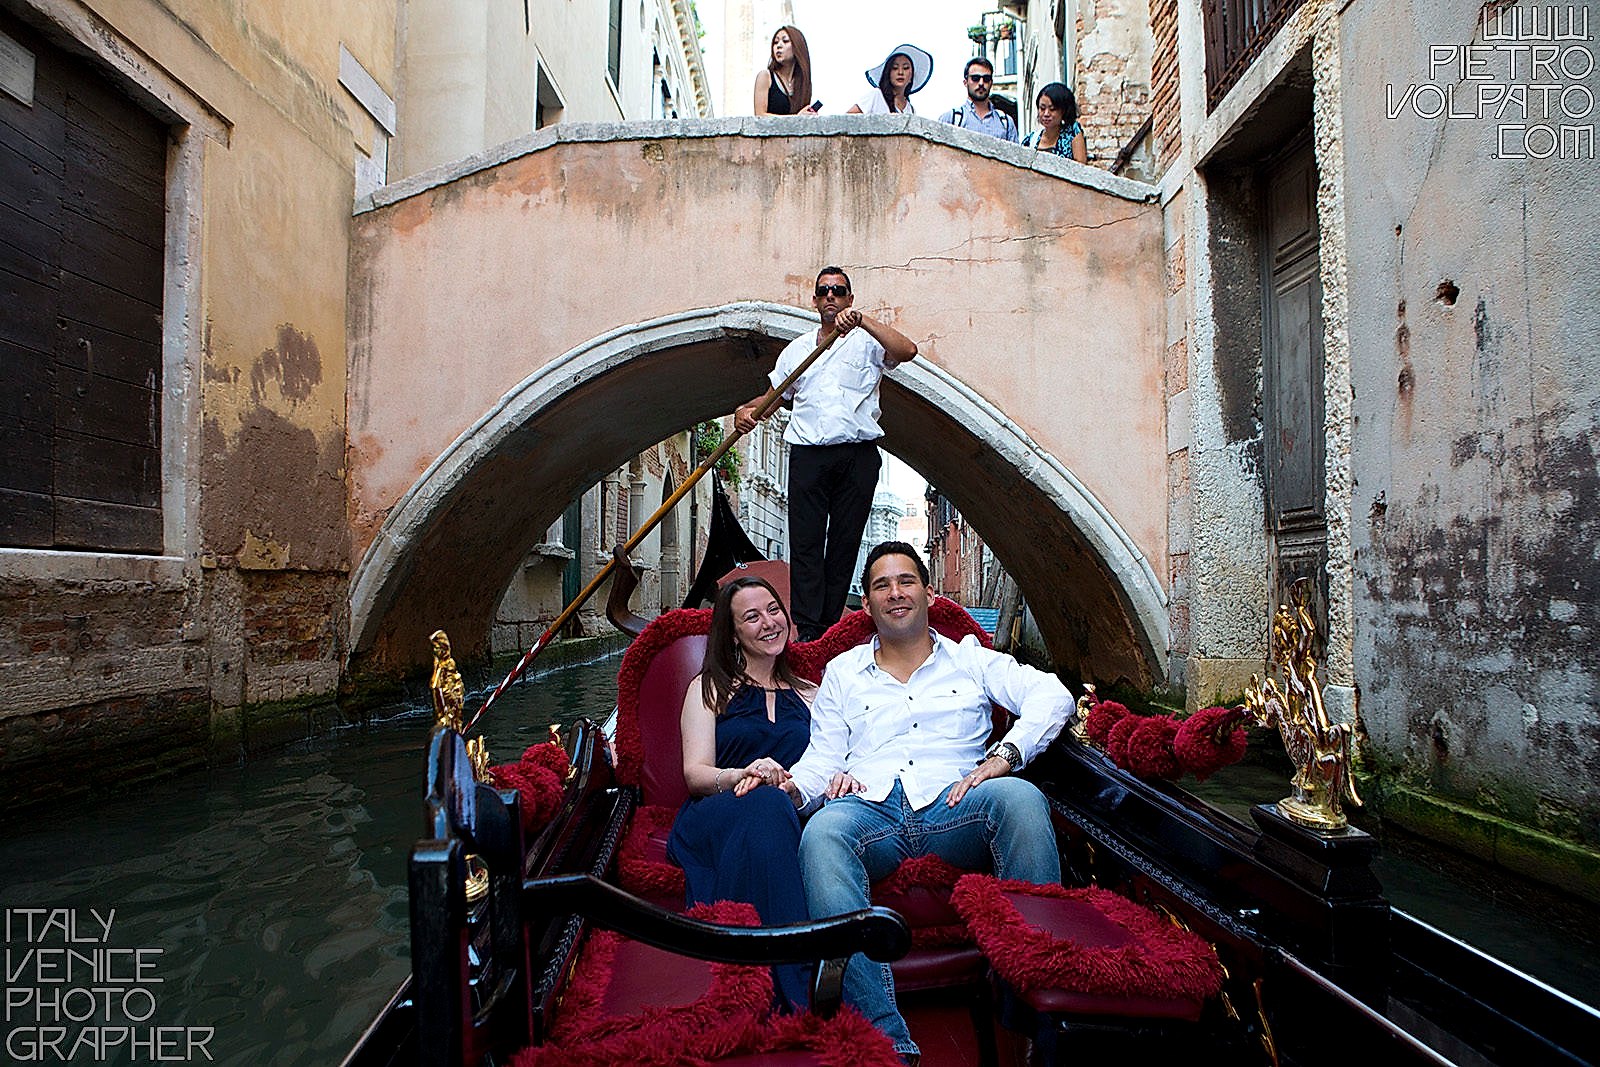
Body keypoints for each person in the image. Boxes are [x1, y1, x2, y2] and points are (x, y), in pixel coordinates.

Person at [783, 542, 1072, 1061]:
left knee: (1021, 799)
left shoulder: (971, 659)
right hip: (870, 808)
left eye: (906, 581)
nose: (895, 593)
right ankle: (887, 1045)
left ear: (929, 592)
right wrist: (789, 786)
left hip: (955, 806)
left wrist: (1003, 757)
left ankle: (1033, 1017)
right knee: (822, 834)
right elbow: (820, 759)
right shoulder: (843, 673)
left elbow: (1054, 696)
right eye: (881, 585)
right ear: (866, 606)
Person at [733, 269, 918, 642]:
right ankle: (809, 631)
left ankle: (830, 627)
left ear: (849, 299)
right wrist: (745, 409)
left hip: (857, 455)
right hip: (808, 455)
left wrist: (863, 321)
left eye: (839, 291)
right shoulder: (798, 350)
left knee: (845, 542)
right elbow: (772, 400)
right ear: (815, 301)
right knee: (805, 543)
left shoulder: (868, 344)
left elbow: (907, 351)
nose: (831, 296)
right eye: (824, 291)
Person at [665, 575, 816, 1011]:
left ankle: (766, 984)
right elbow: (695, 774)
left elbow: (830, 766)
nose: (769, 622)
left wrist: (788, 784)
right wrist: (742, 775)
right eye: (752, 617)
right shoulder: (708, 688)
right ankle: (792, 992)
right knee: (763, 803)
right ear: (732, 634)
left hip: (790, 811)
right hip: (717, 811)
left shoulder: (812, 695)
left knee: (772, 805)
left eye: (773, 610)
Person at [937, 57, 1018, 141]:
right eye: (975, 78)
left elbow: (1016, 153)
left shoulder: (1006, 123)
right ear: (965, 82)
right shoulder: (950, 119)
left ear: (991, 83)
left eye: (986, 79)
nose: (981, 83)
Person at [847, 44, 933, 115]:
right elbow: (849, 118)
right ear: (888, 73)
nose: (900, 72)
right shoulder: (876, 95)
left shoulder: (910, 109)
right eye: (895, 68)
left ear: (911, 77)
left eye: (905, 68)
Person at [754, 25, 819, 116]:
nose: (779, 46)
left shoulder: (803, 83)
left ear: (797, 46)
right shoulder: (765, 76)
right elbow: (760, 116)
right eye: (776, 42)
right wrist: (796, 119)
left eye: (785, 41)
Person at [1022, 81, 1087, 163]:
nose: (1046, 114)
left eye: (1052, 109)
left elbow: (1080, 167)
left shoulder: (1072, 133)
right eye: (1042, 108)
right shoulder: (1029, 141)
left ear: (1063, 111)